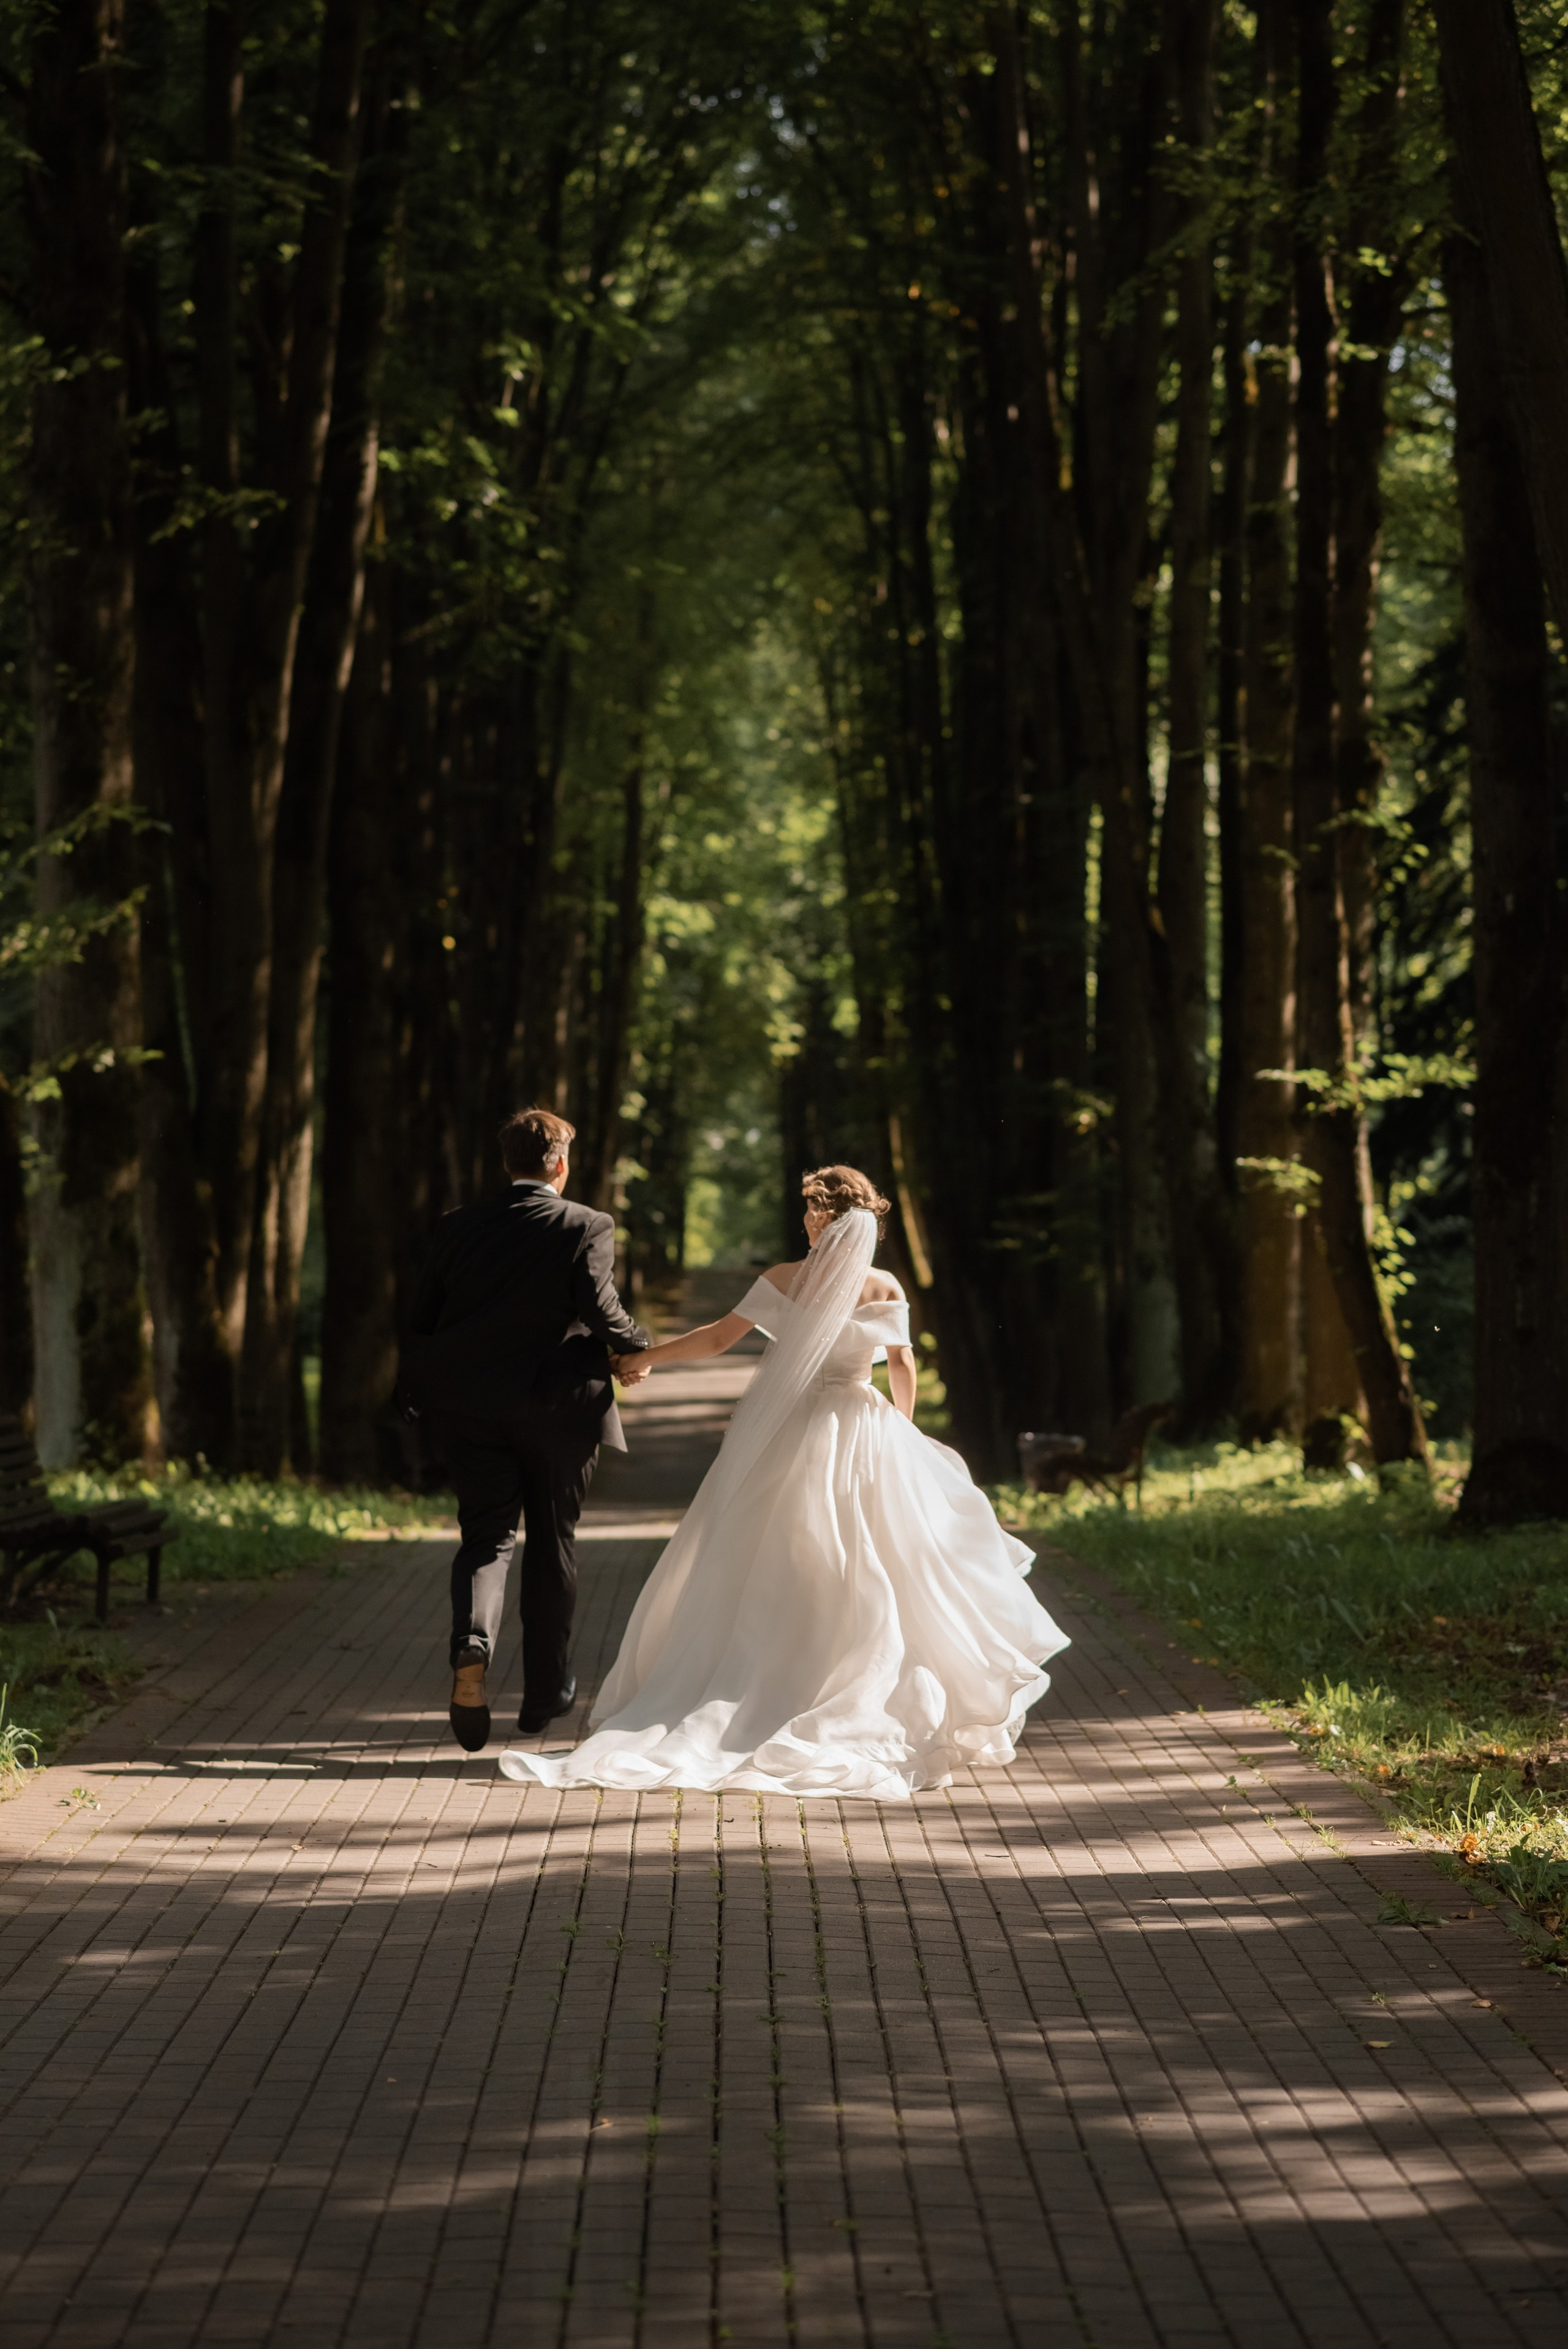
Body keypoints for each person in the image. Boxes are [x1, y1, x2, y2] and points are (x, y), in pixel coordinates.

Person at [497, 1164, 1068, 1798]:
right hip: (860, 1426)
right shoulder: (880, 1283)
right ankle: (855, 1684)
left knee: (772, 1555)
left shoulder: (782, 1280)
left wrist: (643, 1357)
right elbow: (902, 1363)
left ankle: (764, 1677)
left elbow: (717, 1339)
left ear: (823, 1215)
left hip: (787, 1430)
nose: (802, 1218)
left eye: (807, 1208)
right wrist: (901, 1427)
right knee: (877, 1562)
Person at [401, 1107, 651, 1752]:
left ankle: (472, 1641)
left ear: (506, 1162)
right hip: (560, 1410)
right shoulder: (587, 1224)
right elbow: (600, 1306)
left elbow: (422, 1316)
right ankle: (544, 1695)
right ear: (562, 1164)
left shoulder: (459, 1227)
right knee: (552, 1542)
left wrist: (420, 1389)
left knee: (486, 1538)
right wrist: (635, 1347)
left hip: (471, 1409)